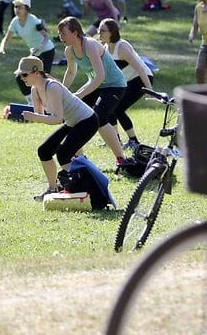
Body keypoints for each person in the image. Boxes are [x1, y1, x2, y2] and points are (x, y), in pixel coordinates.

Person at [15, 56, 99, 199]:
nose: (22, 78)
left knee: (63, 154)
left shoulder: (52, 87)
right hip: (73, 122)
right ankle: (52, 188)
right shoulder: (35, 90)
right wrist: (24, 114)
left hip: (88, 121)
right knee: (44, 151)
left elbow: (57, 119)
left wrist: (35, 117)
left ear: (36, 72)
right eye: (20, 75)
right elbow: (40, 115)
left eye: (24, 74)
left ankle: (85, 190)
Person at [58, 16, 128, 167]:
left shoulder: (89, 45)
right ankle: (80, 159)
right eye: (59, 33)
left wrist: (79, 95)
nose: (60, 37)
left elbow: (101, 76)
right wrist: (62, 92)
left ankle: (121, 159)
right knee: (72, 113)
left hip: (114, 85)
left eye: (63, 33)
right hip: (96, 84)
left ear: (75, 33)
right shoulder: (69, 50)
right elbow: (70, 72)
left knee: (99, 117)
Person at [98, 18, 154, 148]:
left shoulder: (122, 47)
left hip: (141, 78)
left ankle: (134, 141)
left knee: (118, 108)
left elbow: (140, 68)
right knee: (110, 108)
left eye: (102, 30)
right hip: (126, 81)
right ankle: (115, 140)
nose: (99, 33)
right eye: (99, 30)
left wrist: (150, 90)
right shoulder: (105, 49)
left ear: (112, 32)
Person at [0, 0, 55, 99]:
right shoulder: (15, 21)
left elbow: (46, 36)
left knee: (42, 78)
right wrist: (1, 48)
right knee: (20, 76)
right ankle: (32, 101)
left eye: (20, 7)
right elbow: (6, 38)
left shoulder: (34, 20)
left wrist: (40, 46)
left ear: (27, 9)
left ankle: (48, 102)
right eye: (15, 7)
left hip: (47, 51)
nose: (16, 9)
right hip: (35, 53)